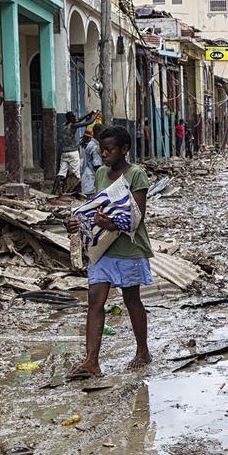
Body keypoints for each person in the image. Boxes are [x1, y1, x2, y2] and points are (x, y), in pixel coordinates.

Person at [65, 125, 154, 378]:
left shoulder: (136, 175)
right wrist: (77, 221)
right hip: (103, 248)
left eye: (109, 150)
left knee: (131, 300)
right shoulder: (102, 173)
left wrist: (112, 224)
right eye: (102, 150)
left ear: (124, 150)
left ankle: (142, 351)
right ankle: (91, 360)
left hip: (128, 249)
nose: (103, 154)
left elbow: (137, 216)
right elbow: (96, 207)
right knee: (95, 300)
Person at [55, 111, 96, 194]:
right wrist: (95, 115)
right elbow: (89, 122)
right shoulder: (73, 126)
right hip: (73, 152)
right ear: (71, 118)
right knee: (76, 174)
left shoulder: (64, 125)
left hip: (64, 153)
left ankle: (54, 191)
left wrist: (87, 115)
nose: (75, 118)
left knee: (61, 173)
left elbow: (78, 119)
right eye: (73, 117)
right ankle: (73, 191)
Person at [79, 125, 103, 196]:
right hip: (91, 179)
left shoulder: (91, 144)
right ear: (99, 134)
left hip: (87, 177)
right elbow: (97, 166)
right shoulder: (95, 147)